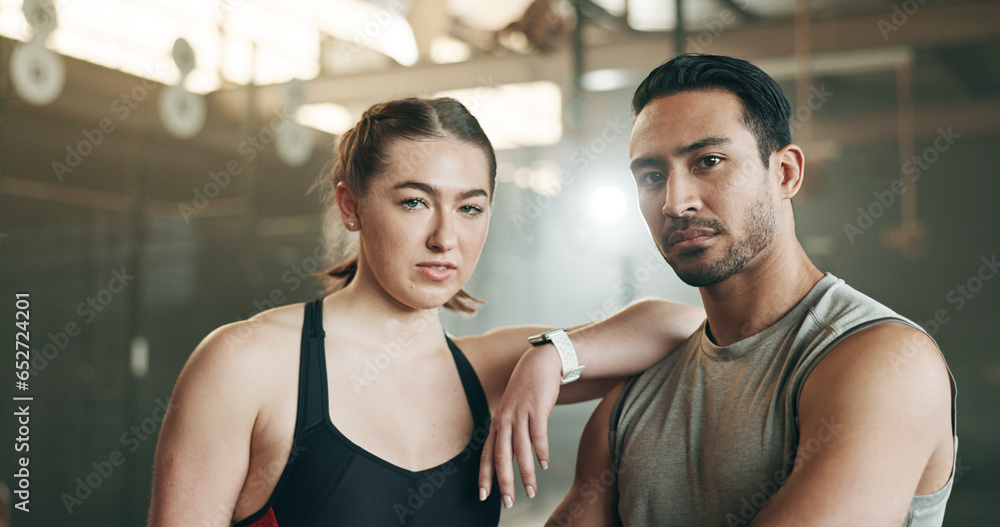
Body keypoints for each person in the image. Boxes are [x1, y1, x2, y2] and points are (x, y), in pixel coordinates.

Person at [147, 97, 705, 526]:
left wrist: (552, 358)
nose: (445, 237)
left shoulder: (489, 371)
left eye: (469, 208)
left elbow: (679, 325)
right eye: (414, 202)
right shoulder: (246, 363)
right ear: (351, 206)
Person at [481, 55, 957, 526]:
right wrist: (549, 354)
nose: (675, 202)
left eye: (708, 161)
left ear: (786, 173)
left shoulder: (886, 361)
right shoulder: (632, 394)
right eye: (652, 176)